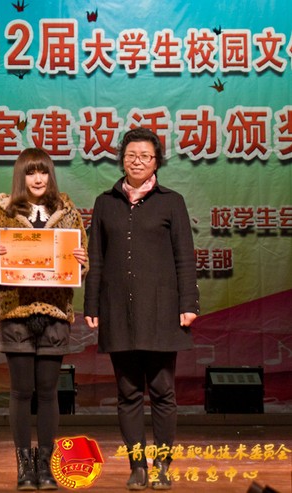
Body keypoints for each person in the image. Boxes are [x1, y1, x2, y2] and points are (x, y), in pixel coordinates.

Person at [83, 127, 199, 491]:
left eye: (145, 156)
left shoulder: (172, 202)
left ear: (156, 162)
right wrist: (91, 303)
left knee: (163, 391)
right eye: (131, 155)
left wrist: (189, 303)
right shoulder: (105, 203)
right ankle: (137, 467)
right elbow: (96, 258)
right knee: (128, 393)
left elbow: (185, 257)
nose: (138, 161)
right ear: (122, 159)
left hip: (162, 310)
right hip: (118, 309)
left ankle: (162, 464)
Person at [0, 148, 88, 491]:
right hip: (16, 312)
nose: (38, 179)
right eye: (30, 172)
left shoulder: (68, 212)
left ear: (50, 175)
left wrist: (81, 260)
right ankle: (24, 466)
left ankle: (46, 466)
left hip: (55, 312)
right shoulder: (3, 211)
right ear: (21, 177)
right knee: (22, 391)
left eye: (43, 172)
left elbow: (82, 260)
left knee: (49, 392)